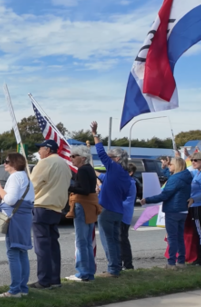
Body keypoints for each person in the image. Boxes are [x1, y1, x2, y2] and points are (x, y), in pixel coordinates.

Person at [29, 139, 72, 289]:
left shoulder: (44, 163)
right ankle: (55, 279)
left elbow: (32, 186)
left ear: (47, 150)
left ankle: (44, 280)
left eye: (40, 149)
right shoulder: (64, 164)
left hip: (42, 205)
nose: (39, 152)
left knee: (42, 247)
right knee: (53, 245)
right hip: (56, 207)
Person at [91, 121, 131, 278]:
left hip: (106, 209)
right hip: (118, 211)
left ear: (117, 158)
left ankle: (113, 269)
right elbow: (106, 179)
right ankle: (116, 267)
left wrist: (95, 134)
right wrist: (95, 174)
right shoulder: (125, 175)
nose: (107, 158)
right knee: (114, 240)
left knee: (108, 241)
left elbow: (100, 152)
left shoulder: (113, 168)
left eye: (110, 157)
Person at [0, 154, 34, 298]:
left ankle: (15, 289)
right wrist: (1, 194)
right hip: (23, 217)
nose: (4, 164)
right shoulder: (25, 177)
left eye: (7, 162)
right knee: (22, 252)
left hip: (15, 218)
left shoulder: (15, 177)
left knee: (13, 252)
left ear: (15, 163)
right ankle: (22, 288)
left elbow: (10, 200)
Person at [144, 158, 192, 269]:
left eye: (170, 164)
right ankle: (181, 261)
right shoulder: (186, 176)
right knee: (180, 236)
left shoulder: (175, 179)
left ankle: (171, 263)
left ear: (177, 165)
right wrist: (165, 167)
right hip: (183, 210)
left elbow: (165, 195)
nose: (169, 165)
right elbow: (171, 177)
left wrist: (147, 200)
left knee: (172, 237)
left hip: (173, 209)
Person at [65, 145, 100, 282]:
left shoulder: (83, 170)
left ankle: (83, 272)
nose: (71, 158)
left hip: (82, 205)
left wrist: (68, 187)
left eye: (74, 156)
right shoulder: (89, 169)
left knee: (81, 241)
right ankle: (89, 272)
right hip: (90, 205)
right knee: (86, 241)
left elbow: (84, 189)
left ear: (83, 158)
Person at [120, 164, 137, 270]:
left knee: (122, 240)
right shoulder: (128, 182)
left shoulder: (129, 183)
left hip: (123, 214)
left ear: (130, 173)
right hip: (123, 213)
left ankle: (128, 264)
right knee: (121, 239)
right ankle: (125, 263)